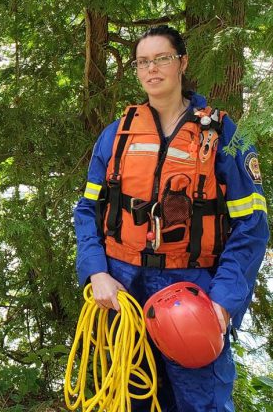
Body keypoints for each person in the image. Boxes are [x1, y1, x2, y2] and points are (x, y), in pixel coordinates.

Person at [74, 24, 269, 411]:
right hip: (122, 287)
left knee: (202, 402)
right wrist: (96, 272)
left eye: (162, 58)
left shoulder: (223, 135)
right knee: (130, 398)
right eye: (143, 62)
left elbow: (252, 225)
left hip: (191, 288)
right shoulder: (117, 135)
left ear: (182, 62)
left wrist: (223, 303)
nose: (152, 69)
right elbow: (86, 211)